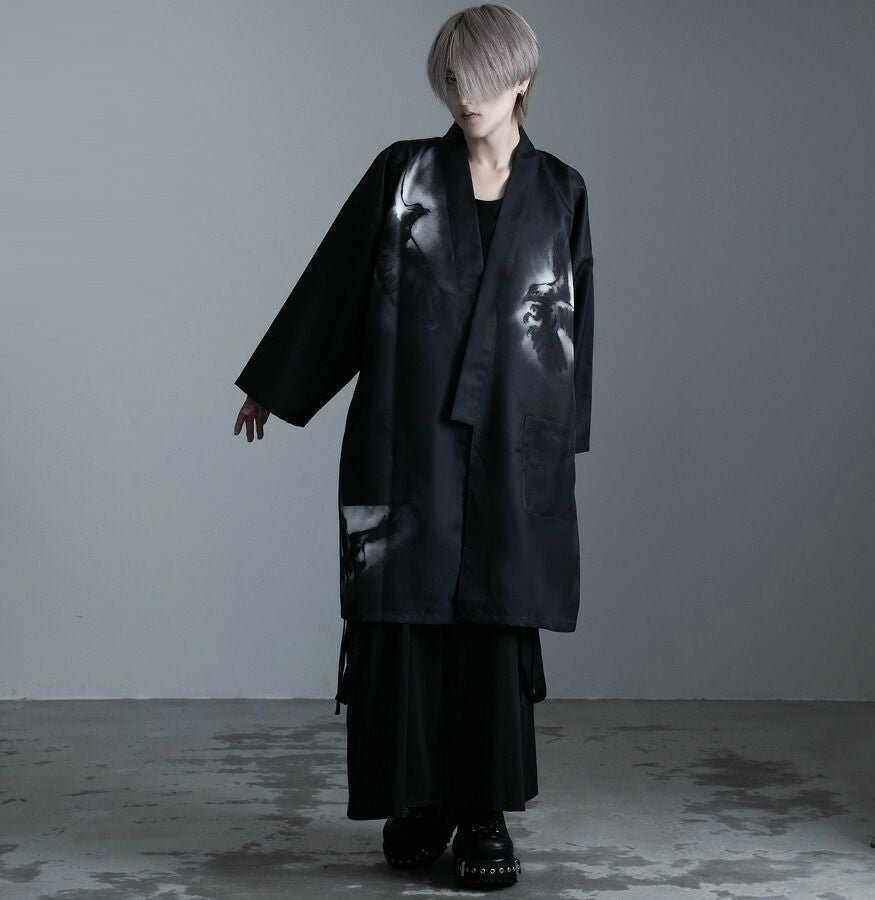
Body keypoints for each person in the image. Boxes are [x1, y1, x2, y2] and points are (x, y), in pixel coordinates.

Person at [234, 3, 593, 888]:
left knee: (493, 622)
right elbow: (337, 285)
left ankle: (484, 811)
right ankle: (418, 800)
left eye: (481, 78)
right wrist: (276, 383)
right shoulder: (403, 174)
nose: (464, 94)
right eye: (451, 77)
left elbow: (573, 326)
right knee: (403, 617)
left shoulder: (561, 192)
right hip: (406, 432)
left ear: (522, 79)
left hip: (509, 441)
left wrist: (558, 443)